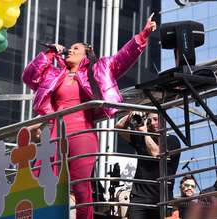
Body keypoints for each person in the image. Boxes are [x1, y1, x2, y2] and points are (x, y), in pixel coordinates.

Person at [22, 12, 156, 219]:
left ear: (86, 55)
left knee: (81, 186)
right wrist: (49, 54)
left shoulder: (98, 69)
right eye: (69, 48)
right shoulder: (54, 74)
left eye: (76, 48)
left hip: (83, 132)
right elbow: (29, 76)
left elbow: (123, 57)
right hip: (57, 131)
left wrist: (143, 36)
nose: (70, 50)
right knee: (43, 178)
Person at [115, 111, 181, 219]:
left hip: (162, 198)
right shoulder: (141, 137)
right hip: (139, 197)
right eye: (152, 120)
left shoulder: (172, 140)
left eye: (158, 119)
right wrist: (131, 115)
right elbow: (119, 127)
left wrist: (145, 133)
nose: (155, 123)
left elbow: (156, 153)